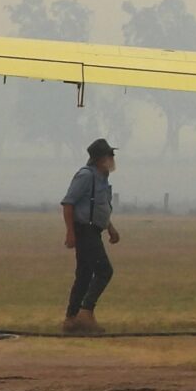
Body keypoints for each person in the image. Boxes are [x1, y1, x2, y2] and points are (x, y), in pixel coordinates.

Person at [61, 138, 122, 335]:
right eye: (109, 155)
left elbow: (100, 207)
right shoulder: (86, 176)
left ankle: (71, 319)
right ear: (100, 159)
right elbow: (68, 203)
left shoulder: (102, 178)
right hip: (84, 231)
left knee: (85, 275)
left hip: (94, 230)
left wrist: (110, 227)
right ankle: (86, 312)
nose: (112, 159)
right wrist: (70, 232)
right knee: (104, 271)